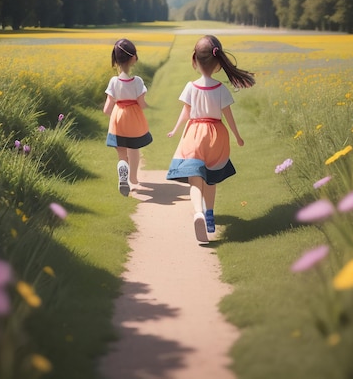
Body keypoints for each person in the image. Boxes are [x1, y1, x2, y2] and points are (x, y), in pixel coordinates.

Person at [167, 35, 255, 243]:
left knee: (195, 179)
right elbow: (228, 116)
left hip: (195, 134)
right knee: (211, 177)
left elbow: (186, 113)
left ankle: (197, 211)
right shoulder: (221, 89)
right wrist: (237, 136)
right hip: (217, 136)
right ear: (218, 64)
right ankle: (209, 215)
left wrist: (175, 129)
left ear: (194, 60)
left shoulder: (191, 87)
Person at [104, 38, 153, 196]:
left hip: (118, 118)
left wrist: (116, 115)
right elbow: (141, 102)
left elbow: (106, 109)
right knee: (134, 148)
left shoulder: (113, 81)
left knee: (121, 153)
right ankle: (133, 178)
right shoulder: (137, 81)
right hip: (134, 119)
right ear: (133, 59)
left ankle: (122, 174)